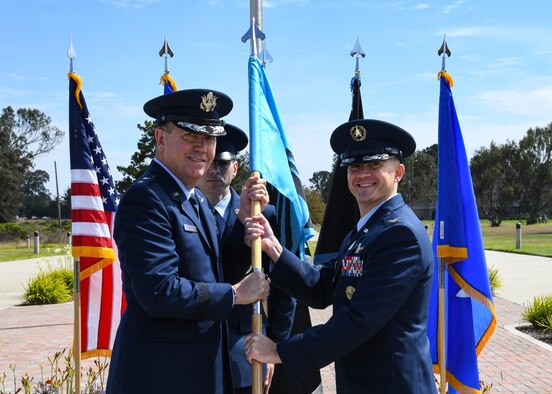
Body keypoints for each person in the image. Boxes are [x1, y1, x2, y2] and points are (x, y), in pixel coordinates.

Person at [244, 119, 436, 393]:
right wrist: (273, 247)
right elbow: (325, 287)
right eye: (355, 166)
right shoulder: (366, 230)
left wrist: (278, 351)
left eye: (374, 165)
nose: (362, 174)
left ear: (399, 172)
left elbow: (358, 321)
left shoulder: (399, 235)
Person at [106, 89, 270, 394]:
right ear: (160, 138)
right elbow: (159, 290)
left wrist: (242, 222)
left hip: (197, 372)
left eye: (208, 139)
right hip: (160, 375)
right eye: (190, 136)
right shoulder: (147, 199)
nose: (201, 147)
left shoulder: (194, 200)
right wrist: (234, 295)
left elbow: (213, 268)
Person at [197, 124, 296, 394]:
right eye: (210, 162)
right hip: (196, 349)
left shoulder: (264, 215)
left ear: (236, 168)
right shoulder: (182, 212)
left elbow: (283, 288)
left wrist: (275, 345)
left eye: (223, 162)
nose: (215, 170)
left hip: (246, 348)